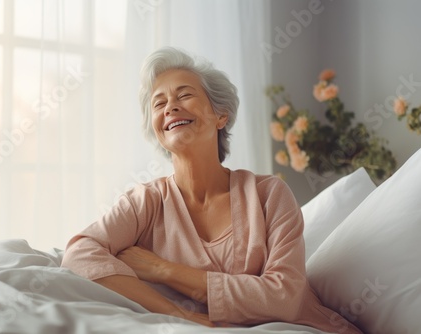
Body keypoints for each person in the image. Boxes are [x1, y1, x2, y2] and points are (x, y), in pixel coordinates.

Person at [61, 47, 362, 332]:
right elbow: (79, 254)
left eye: (184, 95)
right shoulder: (144, 202)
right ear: (156, 129)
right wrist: (178, 314)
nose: (171, 107)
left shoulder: (269, 195)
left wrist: (163, 270)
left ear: (221, 115)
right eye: (159, 103)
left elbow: (284, 296)